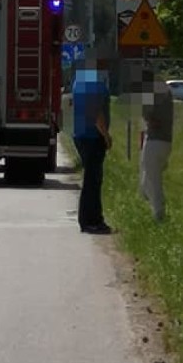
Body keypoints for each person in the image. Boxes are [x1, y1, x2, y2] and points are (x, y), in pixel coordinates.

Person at [71, 57, 112, 234]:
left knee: (90, 179)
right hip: (93, 137)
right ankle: (92, 220)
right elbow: (96, 114)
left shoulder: (77, 83)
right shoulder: (96, 86)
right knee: (93, 181)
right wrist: (106, 135)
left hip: (80, 136)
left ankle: (89, 219)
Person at [137, 68, 173, 222]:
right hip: (165, 142)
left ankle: (159, 213)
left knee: (152, 181)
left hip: (154, 141)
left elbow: (149, 119)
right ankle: (155, 209)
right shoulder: (166, 92)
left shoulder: (150, 94)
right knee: (147, 181)